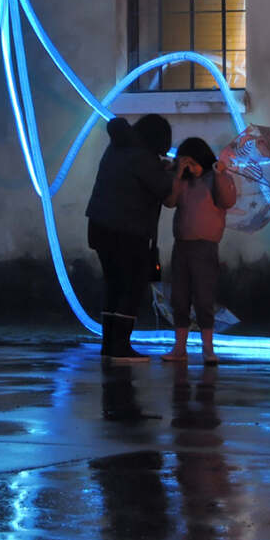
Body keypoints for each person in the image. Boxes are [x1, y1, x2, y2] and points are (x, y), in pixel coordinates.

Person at [85, 113, 174, 364]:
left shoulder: (117, 147)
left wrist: (158, 169)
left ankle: (109, 345)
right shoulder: (142, 156)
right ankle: (121, 347)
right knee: (131, 286)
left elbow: (136, 178)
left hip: (99, 226)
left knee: (113, 285)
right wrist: (174, 173)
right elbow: (165, 192)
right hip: (127, 230)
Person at [162, 137, 236, 365]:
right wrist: (177, 174)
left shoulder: (215, 177)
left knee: (204, 297)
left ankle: (208, 348)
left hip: (205, 246)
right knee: (179, 297)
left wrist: (220, 174)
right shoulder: (182, 181)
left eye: (192, 162)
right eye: (186, 163)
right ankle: (179, 347)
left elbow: (227, 200)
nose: (190, 167)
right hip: (182, 244)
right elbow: (170, 202)